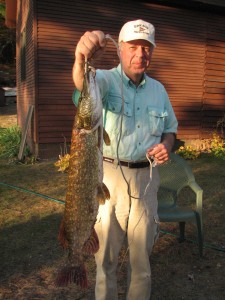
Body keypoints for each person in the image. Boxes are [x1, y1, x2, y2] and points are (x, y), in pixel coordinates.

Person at [72, 19, 178, 300]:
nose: (140, 54)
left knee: (141, 262)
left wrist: (167, 145)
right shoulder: (104, 80)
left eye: (146, 48)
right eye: (133, 47)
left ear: (152, 52)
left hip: (147, 180)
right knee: (105, 258)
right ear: (119, 50)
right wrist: (81, 56)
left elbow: (171, 131)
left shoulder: (159, 90)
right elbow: (82, 84)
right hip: (110, 178)